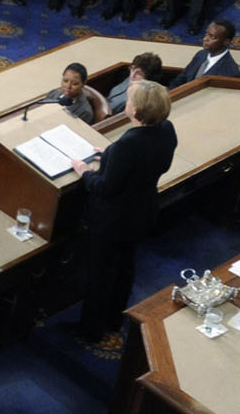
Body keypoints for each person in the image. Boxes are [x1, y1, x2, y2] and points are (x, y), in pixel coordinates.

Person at [69, 80, 177, 344]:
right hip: (143, 212)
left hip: (113, 221)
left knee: (101, 276)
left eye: (130, 100)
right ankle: (113, 320)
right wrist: (109, 156)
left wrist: (84, 171)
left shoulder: (128, 145)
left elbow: (104, 188)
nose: (126, 104)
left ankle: (90, 331)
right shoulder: (166, 130)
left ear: (137, 111)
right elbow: (150, 163)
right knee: (124, 270)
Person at [169, 19, 240, 86]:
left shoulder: (231, 74)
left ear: (226, 42)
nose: (205, 39)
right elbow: (180, 79)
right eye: (206, 34)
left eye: (212, 37)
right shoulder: (201, 54)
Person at [106, 53, 164, 117]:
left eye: (139, 73)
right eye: (132, 69)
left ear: (149, 79)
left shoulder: (143, 98)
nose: (132, 75)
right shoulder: (132, 79)